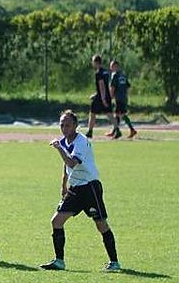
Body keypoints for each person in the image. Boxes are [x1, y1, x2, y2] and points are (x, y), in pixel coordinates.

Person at [41, 110, 121, 272]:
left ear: (75, 126)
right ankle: (59, 261)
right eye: (62, 125)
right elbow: (65, 166)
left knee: (101, 224)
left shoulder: (81, 141)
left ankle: (114, 262)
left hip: (90, 187)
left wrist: (59, 148)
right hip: (75, 189)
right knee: (56, 221)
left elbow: (71, 162)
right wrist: (64, 186)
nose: (64, 128)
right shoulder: (63, 141)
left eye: (68, 125)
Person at [108, 60, 137, 139]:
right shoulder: (123, 75)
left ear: (115, 66)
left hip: (118, 98)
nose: (110, 68)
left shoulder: (115, 75)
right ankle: (115, 131)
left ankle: (131, 130)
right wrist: (125, 95)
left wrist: (111, 96)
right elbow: (128, 87)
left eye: (112, 66)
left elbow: (112, 87)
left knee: (121, 114)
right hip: (123, 97)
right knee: (117, 114)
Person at [85, 54, 112, 138]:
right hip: (106, 95)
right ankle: (117, 129)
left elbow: (102, 86)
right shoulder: (105, 72)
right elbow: (107, 85)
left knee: (92, 113)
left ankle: (90, 131)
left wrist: (103, 98)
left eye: (93, 61)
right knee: (109, 113)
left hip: (101, 97)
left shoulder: (98, 73)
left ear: (96, 62)